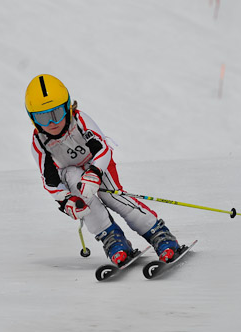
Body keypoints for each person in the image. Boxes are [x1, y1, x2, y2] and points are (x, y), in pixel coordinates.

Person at [26, 74, 179, 265]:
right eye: (43, 118)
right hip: (72, 175)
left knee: (113, 197)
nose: (52, 123)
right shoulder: (39, 143)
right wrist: (67, 201)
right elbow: (49, 181)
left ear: (67, 107)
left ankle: (159, 234)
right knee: (81, 197)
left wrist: (95, 173)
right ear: (32, 119)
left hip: (98, 163)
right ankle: (112, 239)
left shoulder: (80, 121)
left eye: (57, 113)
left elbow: (103, 149)